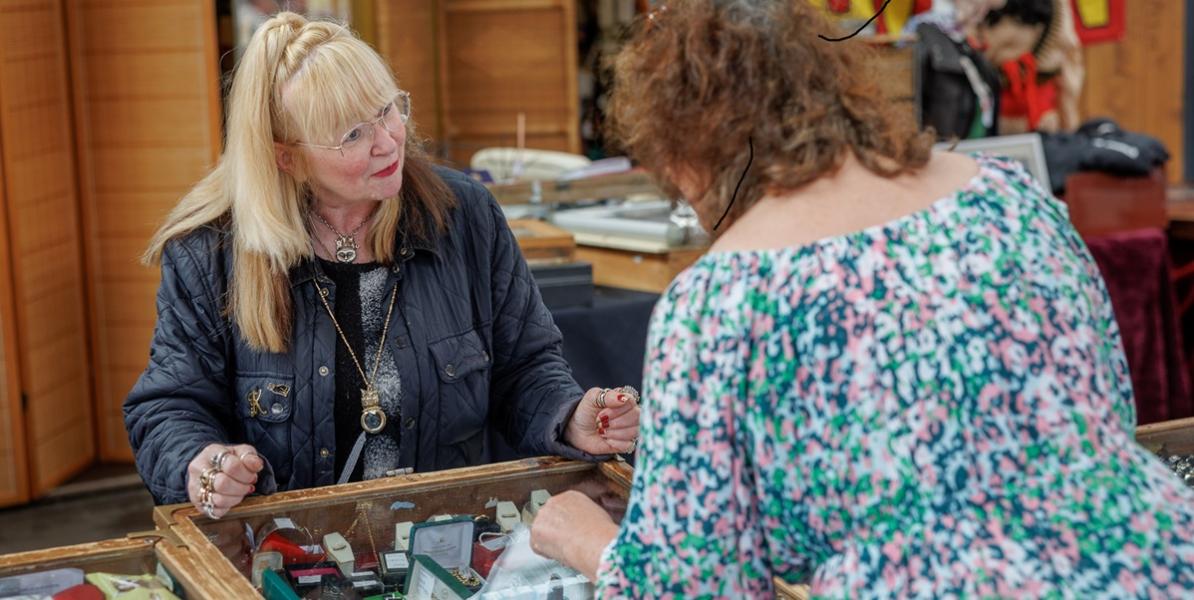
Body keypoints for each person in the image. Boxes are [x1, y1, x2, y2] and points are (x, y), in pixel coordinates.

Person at [531, 1, 1194, 597]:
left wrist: (583, 537)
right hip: (1160, 562)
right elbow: (1109, 414)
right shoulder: (1006, 194)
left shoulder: (719, 300)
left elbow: (691, 586)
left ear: (685, 148)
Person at [123, 12, 640, 518]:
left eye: (389, 109)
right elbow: (170, 406)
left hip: (448, 543)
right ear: (287, 158)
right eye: (351, 135)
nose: (388, 140)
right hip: (286, 555)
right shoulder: (209, 252)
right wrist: (203, 464)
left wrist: (570, 417)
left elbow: (525, 368)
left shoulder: (464, 216)